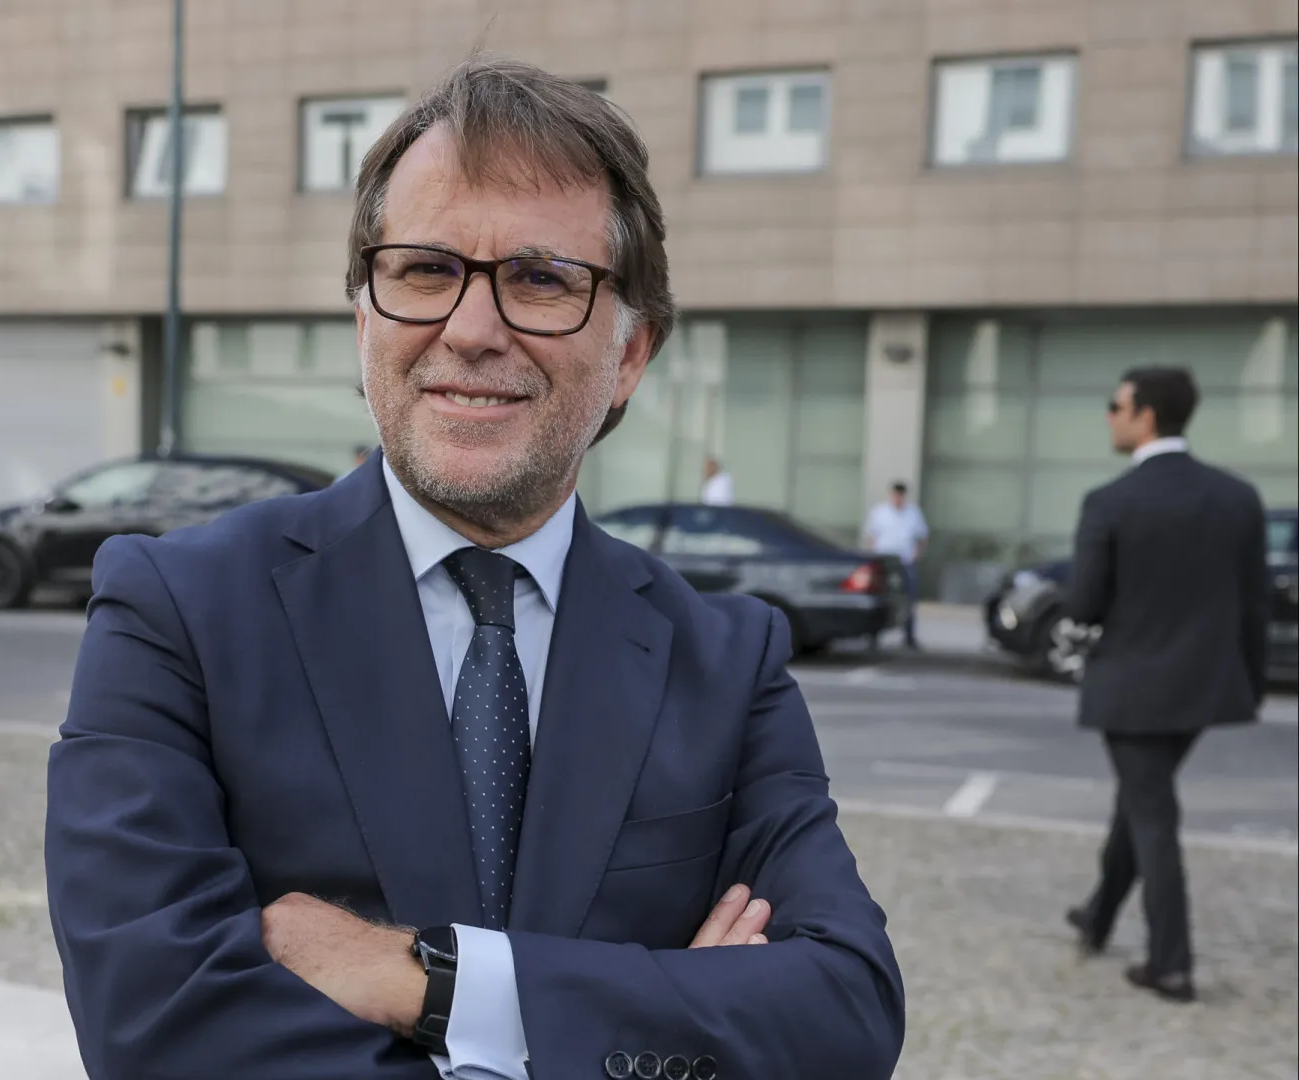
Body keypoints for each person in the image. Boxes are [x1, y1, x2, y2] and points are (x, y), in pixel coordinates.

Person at [45, 55, 903, 1080]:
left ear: (631, 354)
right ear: (365, 317)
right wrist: (650, 1016)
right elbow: (154, 1032)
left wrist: (434, 984)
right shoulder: (178, 612)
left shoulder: (726, 660)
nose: (471, 329)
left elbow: (845, 1014)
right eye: (424, 270)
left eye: (541, 279)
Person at [1062, 367, 1266, 1004]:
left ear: (1145, 415)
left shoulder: (1111, 501)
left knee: (1151, 814)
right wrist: (1250, 683)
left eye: (1115, 404)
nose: (1109, 416)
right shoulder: (1237, 497)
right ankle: (1098, 915)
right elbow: (1254, 605)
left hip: (1132, 689)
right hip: (1205, 688)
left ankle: (1170, 963)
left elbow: (1083, 604)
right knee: (1139, 801)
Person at [861, 481, 929, 648]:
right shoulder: (880, 512)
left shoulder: (913, 513)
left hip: (906, 562)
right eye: (896, 495)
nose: (898, 498)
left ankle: (909, 637)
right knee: (879, 598)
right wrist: (871, 556)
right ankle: (873, 636)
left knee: (908, 600)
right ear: (891, 494)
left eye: (901, 495)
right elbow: (871, 536)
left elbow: (922, 537)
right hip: (884, 562)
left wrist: (917, 555)